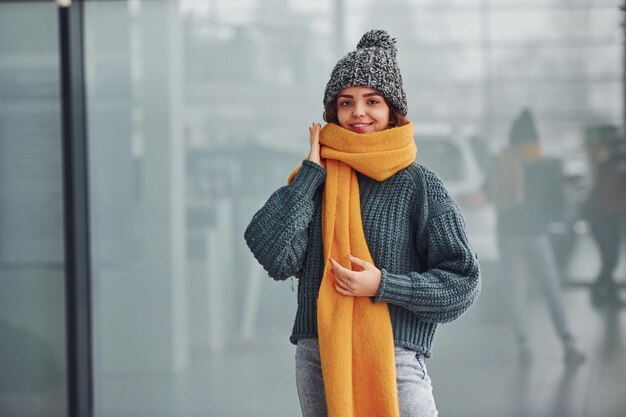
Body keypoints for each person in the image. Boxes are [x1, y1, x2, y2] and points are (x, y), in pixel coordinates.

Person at [244, 29, 480, 417]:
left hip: (396, 357)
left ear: (392, 112)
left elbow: (462, 282)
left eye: (372, 101)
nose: (358, 112)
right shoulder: (315, 179)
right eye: (346, 101)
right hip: (318, 355)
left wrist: (384, 285)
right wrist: (310, 172)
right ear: (331, 111)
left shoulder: (417, 184)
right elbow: (275, 256)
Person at [487, 109, 585, 364]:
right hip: (536, 233)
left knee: (516, 289)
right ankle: (568, 341)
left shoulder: (503, 162)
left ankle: (523, 345)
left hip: (508, 234)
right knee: (551, 286)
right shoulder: (545, 166)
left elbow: (488, 192)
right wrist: (545, 216)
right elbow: (560, 201)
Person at [583, 133, 626, 307]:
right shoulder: (607, 164)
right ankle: (600, 292)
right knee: (610, 256)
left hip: (612, 216)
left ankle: (606, 292)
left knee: (612, 257)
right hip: (598, 215)